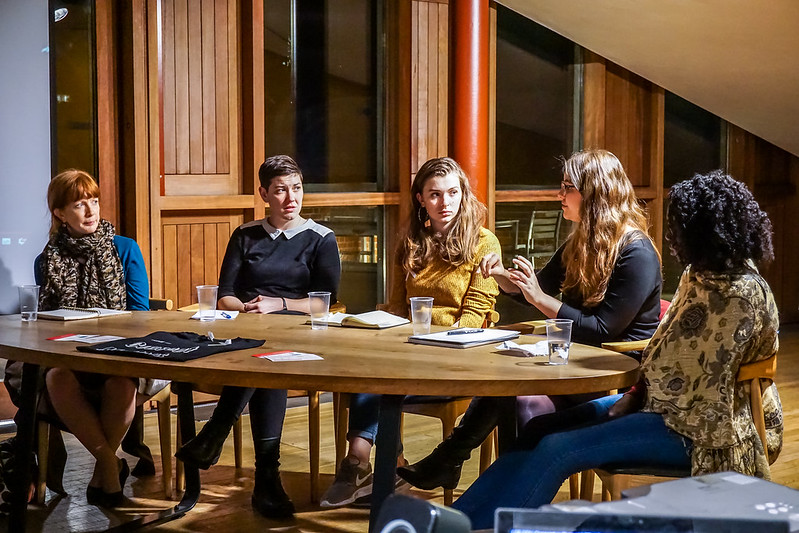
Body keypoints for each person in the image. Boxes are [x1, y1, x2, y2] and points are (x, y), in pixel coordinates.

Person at [451, 170, 783, 529]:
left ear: (704, 232)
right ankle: (454, 521)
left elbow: (700, 385)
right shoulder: (697, 276)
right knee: (539, 430)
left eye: (680, 228)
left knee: (557, 449)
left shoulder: (741, 296)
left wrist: (639, 401)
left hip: (704, 432)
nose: (674, 238)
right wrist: (637, 395)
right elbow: (666, 351)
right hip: (658, 407)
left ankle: (483, 527)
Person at [398, 149, 662, 491]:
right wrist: (501, 276)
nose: (559, 194)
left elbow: (601, 329)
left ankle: (464, 469)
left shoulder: (636, 252)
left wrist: (539, 298)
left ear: (593, 194)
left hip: (614, 376)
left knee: (518, 397)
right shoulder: (581, 241)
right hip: (573, 364)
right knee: (508, 385)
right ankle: (482, 481)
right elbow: (540, 286)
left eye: (567, 187)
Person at [320, 157, 501, 508]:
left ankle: (359, 465)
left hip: (459, 355)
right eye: (435, 195)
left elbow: (475, 316)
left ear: (463, 195)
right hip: (410, 350)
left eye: (452, 193)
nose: (445, 203)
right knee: (365, 370)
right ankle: (383, 468)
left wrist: (431, 345)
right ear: (421, 199)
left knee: (378, 383)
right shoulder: (412, 243)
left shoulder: (484, 242)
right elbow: (397, 308)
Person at [174, 155, 341, 519]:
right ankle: (266, 477)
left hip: (297, 330)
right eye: (280, 190)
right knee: (262, 357)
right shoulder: (245, 235)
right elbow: (226, 295)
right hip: (248, 329)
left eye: (296, 188)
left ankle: (216, 432)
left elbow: (324, 304)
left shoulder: (320, 238)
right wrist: (248, 308)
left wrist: (278, 303)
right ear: (264, 193)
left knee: (267, 358)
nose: (290, 197)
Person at [26, 169, 149, 508]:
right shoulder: (47, 260)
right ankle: (110, 464)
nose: (92, 211)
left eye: (94, 202)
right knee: (57, 378)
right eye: (80, 204)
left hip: (119, 353)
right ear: (59, 213)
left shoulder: (124, 249)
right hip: (71, 354)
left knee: (121, 385)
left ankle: (105, 470)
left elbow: (140, 313)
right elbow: (46, 321)